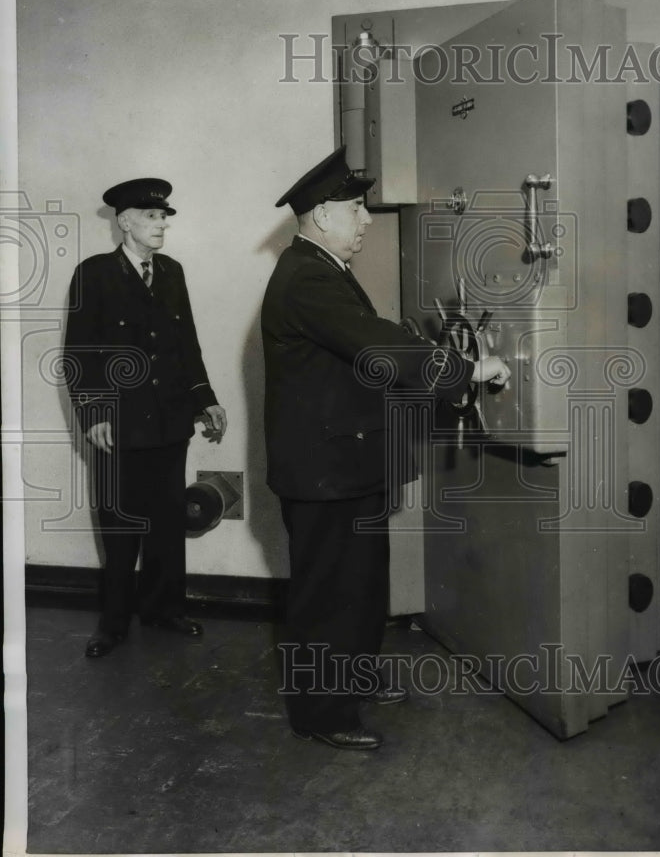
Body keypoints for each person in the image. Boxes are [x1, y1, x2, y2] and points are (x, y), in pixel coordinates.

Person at [261, 146, 510, 750]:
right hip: (325, 473)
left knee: (363, 585)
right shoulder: (308, 277)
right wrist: (467, 370)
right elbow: (378, 347)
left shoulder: (326, 271)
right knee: (328, 594)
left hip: (349, 465)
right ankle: (322, 713)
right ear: (321, 215)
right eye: (355, 209)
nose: (366, 220)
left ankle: (355, 677)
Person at [64, 177, 227, 658]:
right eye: (152, 217)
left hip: (170, 421)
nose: (161, 225)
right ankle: (113, 624)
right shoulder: (94, 274)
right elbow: (79, 353)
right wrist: (93, 413)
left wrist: (206, 399)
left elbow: (186, 345)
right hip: (119, 425)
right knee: (119, 526)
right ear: (125, 221)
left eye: (164, 217)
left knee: (166, 522)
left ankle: (164, 609)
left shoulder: (171, 272)